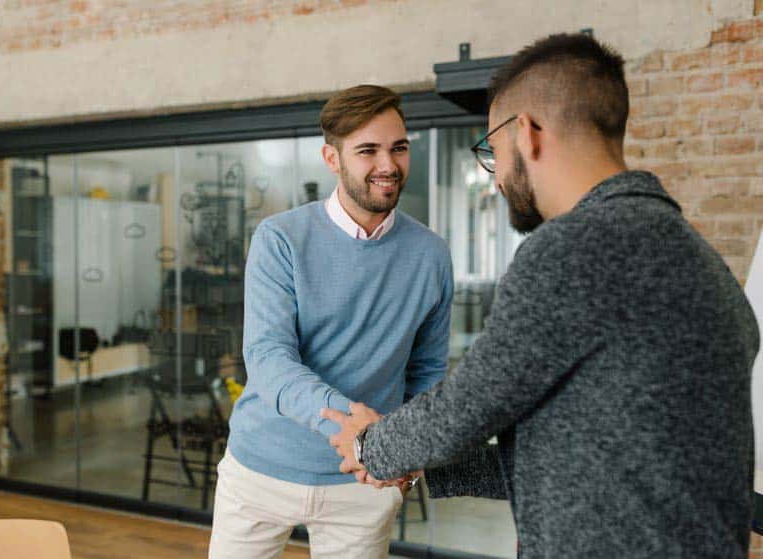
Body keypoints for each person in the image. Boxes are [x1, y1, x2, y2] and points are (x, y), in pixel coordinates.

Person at [323, 33, 761, 558]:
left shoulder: (575, 247)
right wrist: (425, 463)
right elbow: (592, 453)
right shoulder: (695, 255)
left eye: (493, 151)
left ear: (526, 134)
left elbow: (470, 405)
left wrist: (371, 446)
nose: (496, 180)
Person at [208, 84, 454, 559]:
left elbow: (426, 372)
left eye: (398, 148)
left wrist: (404, 449)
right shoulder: (280, 239)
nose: (388, 165)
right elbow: (268, 358)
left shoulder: (431, 254)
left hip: (363, 482)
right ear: (332, 158)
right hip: (260, 469)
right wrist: (350, 429)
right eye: (368, 151)